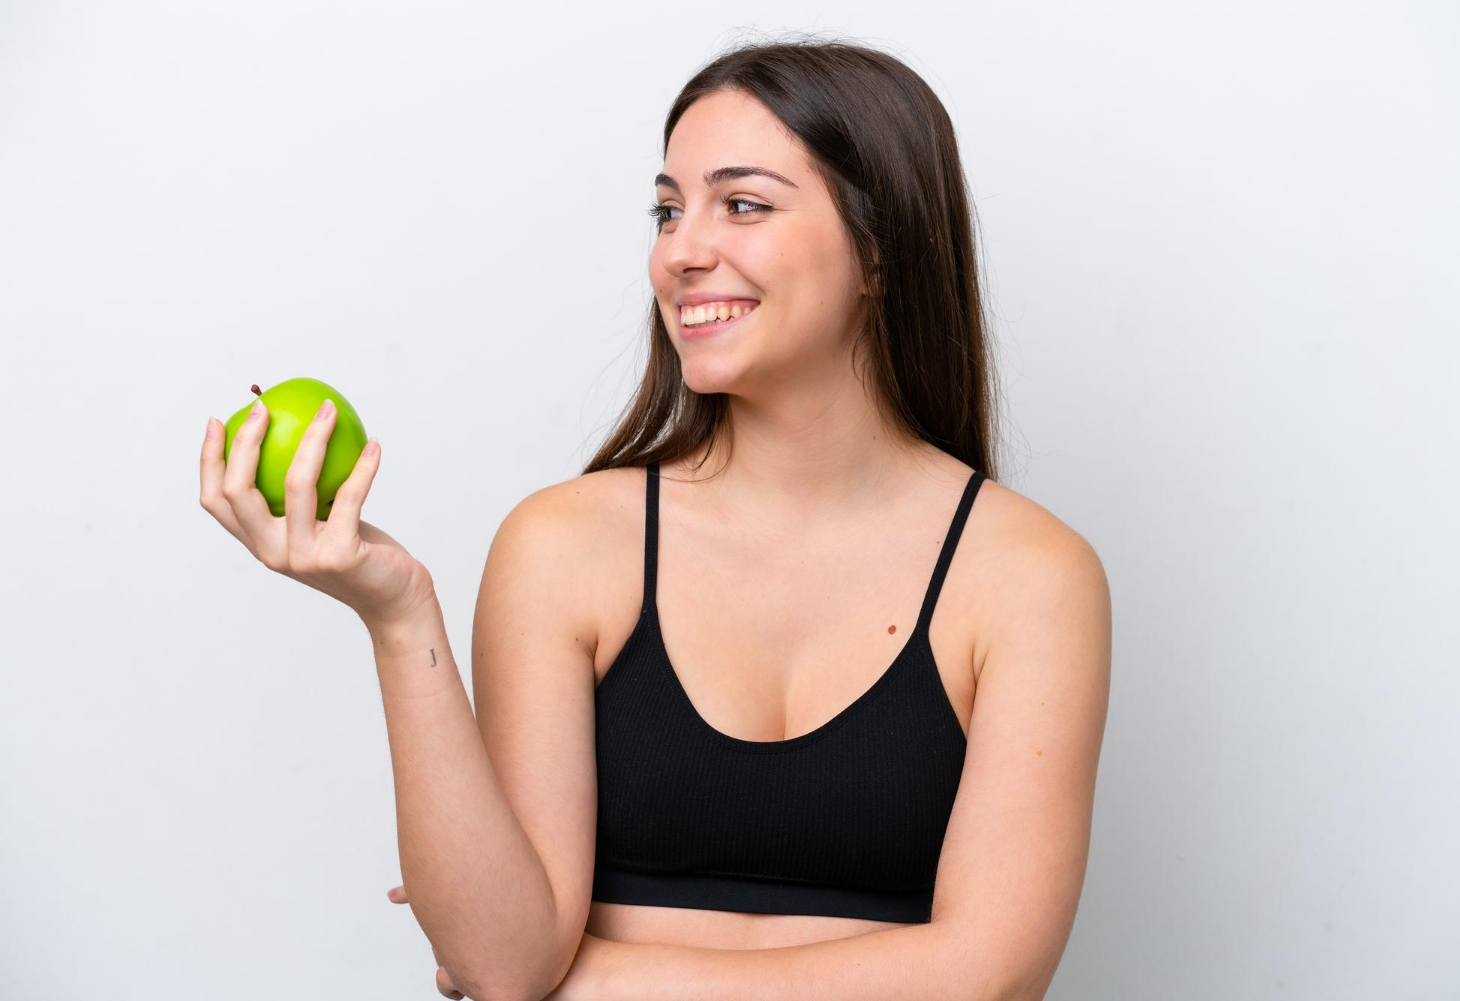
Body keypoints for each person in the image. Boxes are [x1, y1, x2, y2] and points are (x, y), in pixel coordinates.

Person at [200, 35, 1110, 1001]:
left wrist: (587, 981)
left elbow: (990, 975)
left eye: (743, 204)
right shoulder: (564, 545)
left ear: (879, 251)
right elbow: (505, 961)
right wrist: (397, 614)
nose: (680, 250)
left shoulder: (1029, 575)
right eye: (668, 209)